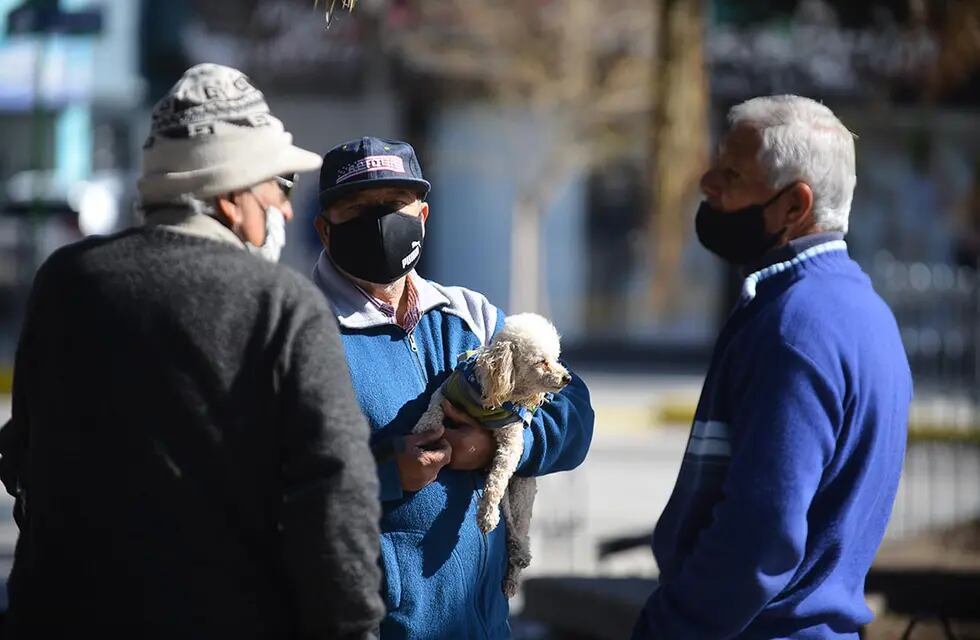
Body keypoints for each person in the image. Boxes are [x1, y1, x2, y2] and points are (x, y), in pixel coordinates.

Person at [0, 64, 384, 639]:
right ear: (231, 198)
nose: (285, 209)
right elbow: (336, 506)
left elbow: (20, 458)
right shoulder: (282, 306)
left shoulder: (66, 282)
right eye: (279, 185)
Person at [631, 95, 913, 639]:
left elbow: (761, 531)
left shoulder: (795, 325)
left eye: (732, 173)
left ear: (794, 205)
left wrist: (671, 627)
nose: (707, 183)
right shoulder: (860, 311)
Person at [310, 136, 595, 639]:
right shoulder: (304, 333)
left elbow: (574, 412)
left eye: (393, 206)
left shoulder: (471, 316)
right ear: (325, 230)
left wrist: (497, 445)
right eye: (358, 209)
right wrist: (388, 475)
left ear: (422, 216)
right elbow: (279, 492)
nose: (378, 223)